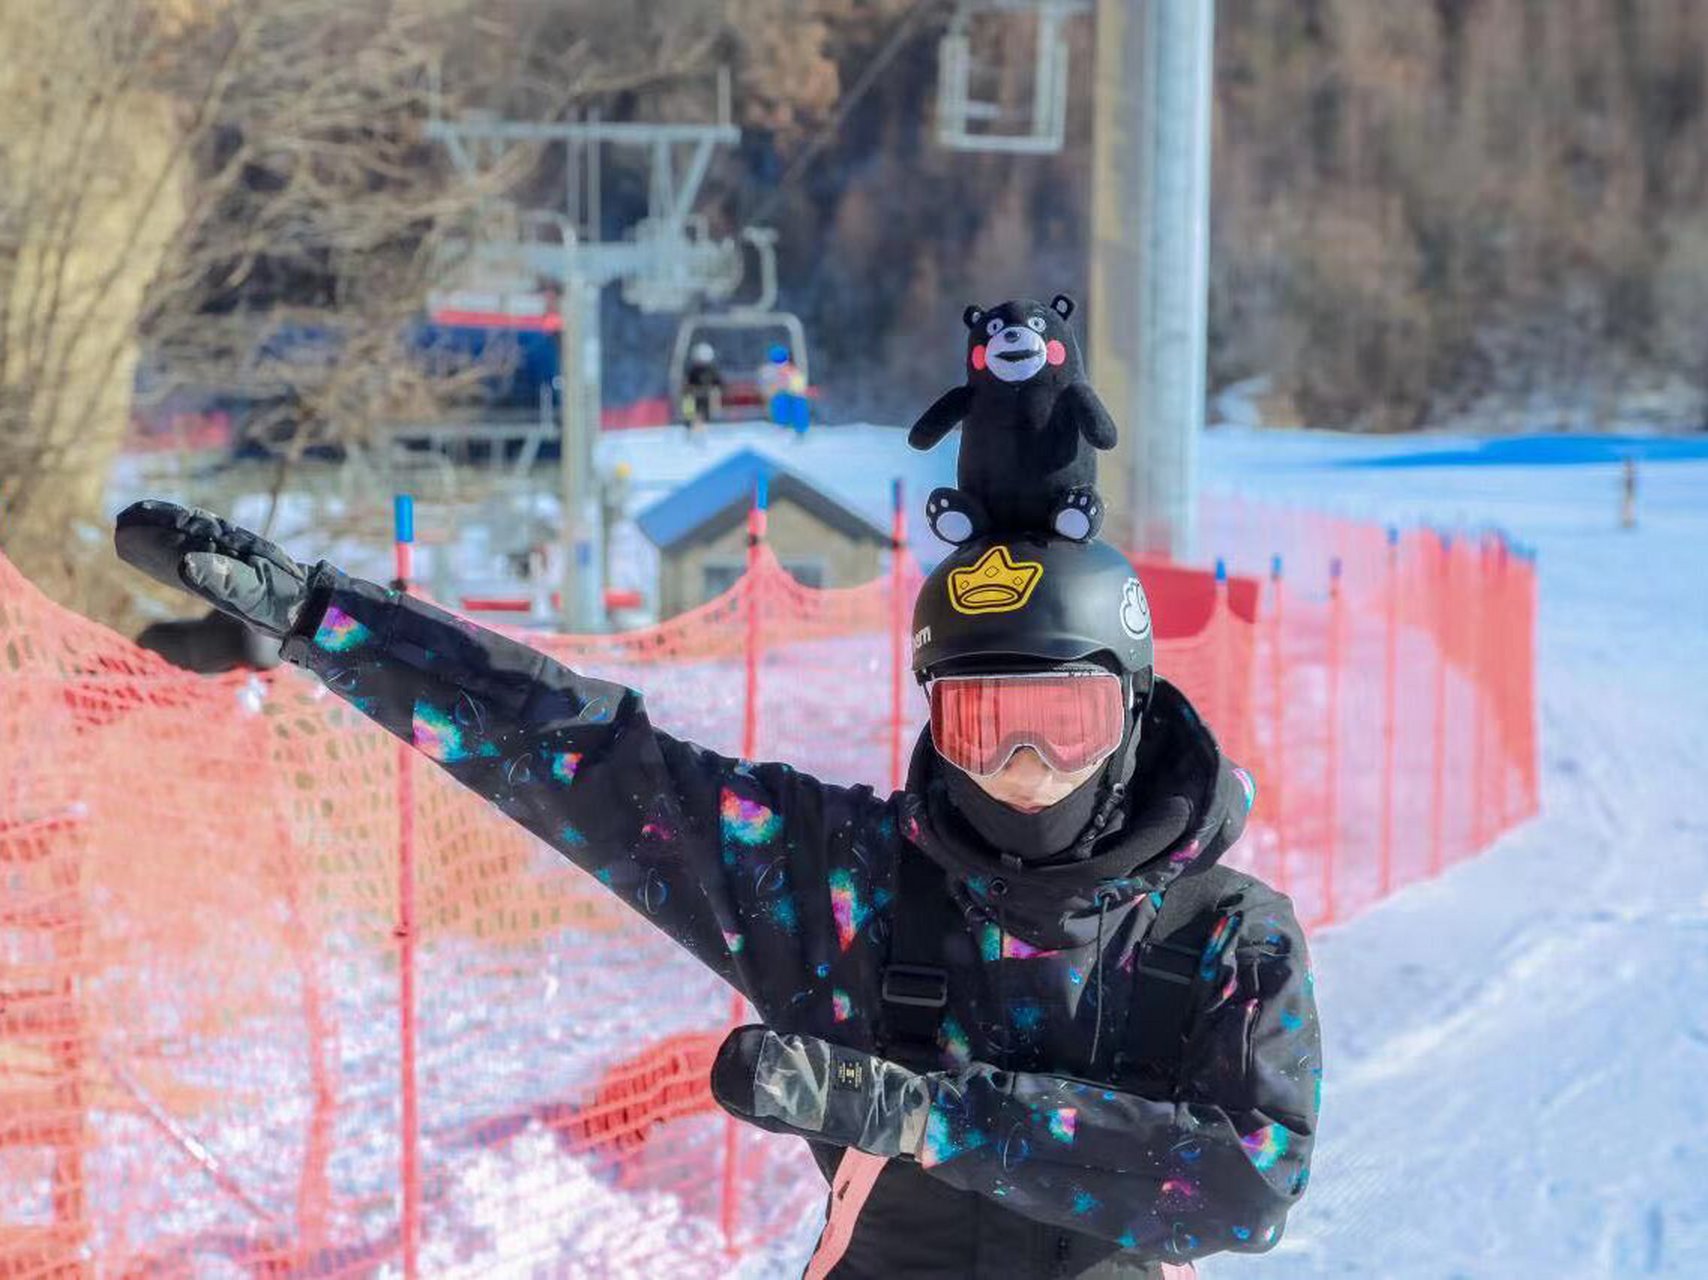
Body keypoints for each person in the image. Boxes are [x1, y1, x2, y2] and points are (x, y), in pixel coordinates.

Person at [114, 502, 1320, 1279]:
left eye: (1062, 724)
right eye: (981, 722)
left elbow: (1242, 1182)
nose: (1022, 770)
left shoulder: (1219, 935)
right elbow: (584, 760)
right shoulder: (848, 881)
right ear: (931, 720)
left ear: (1131, 713)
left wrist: (913, 1111)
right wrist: (330, 621)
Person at [759, 343, 811, 437]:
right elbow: (767, 385)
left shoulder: (790, 369)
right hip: (779, 394)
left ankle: (795, 428)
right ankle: (787, 426)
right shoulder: (768, 369)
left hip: (788, 393)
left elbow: (798, 385)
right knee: (784, 401)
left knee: (797, 402)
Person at [683, 341, 723, 435]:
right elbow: (688, 386)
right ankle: (690, 420)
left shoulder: (712, 371)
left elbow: (719, 385)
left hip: (707, 400)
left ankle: (712, 418)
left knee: (714, 395)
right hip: (695, 399)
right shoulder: (692, 371)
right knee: (688, 398)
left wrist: (710, 390)